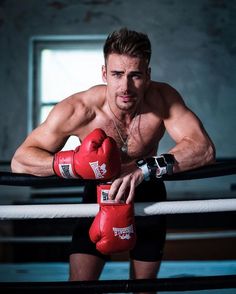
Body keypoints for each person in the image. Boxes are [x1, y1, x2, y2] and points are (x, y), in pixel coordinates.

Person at [11, 27, 215, 288]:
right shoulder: (80, 109)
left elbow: (204, 148)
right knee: (80, 284)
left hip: (147, 192)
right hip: (95, 196)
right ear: (104, 73)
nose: (125, 86)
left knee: (144, 288)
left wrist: (144, 170)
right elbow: (20, 160)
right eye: (117, 74)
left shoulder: (163, 100)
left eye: (135, 76)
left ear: (148, 75)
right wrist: (72, 164)